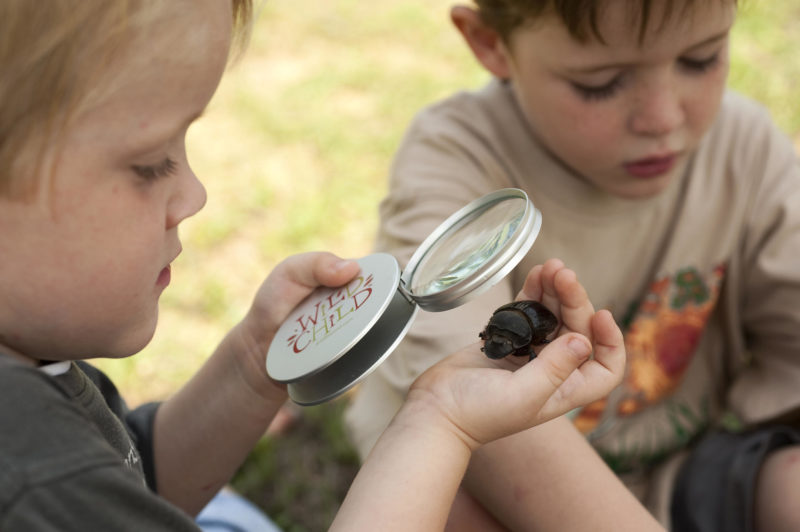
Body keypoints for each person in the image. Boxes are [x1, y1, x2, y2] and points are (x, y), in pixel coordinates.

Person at [0, 1, 663, 530]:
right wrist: (439, 421)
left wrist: (254, 366)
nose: (193, 196)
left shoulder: (33, 372)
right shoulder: (37, 478)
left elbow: (141, 480)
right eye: (148, 164)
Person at [344, 0, 800, 530]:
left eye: (700, 59)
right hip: (499, 482)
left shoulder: (743, 148)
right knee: (444, 515)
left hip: (686, 468)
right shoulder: (457, 157)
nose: (663, 118)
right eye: (600, 84)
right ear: (490, 43)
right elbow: (461, 389)